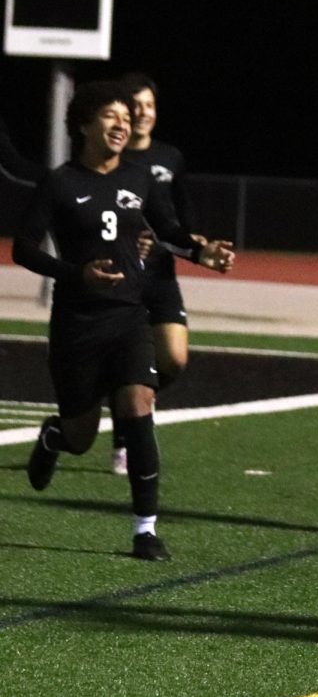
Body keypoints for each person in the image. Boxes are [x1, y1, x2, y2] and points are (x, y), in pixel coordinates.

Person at [12, 81, 234, 561]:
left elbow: (169, 230)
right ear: (85, 124)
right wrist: (76, 274)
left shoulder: (140, 178)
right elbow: (23, 248)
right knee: (80, 436)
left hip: (130, 317)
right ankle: (54, 436)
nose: (122, 125)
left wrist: (202, 252)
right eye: (111, 117)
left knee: (138, 405)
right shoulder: (60, 183)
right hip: (77, 324)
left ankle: (145, 530)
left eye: (127, 119)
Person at [105, 73, 196, 477]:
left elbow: (183, 216)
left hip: (161, 275)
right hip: (123, 278)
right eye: (135, 106)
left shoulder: (170, 157)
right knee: (131, 362)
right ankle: (125, 436)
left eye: (149, 106)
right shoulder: (112, 158)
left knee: (173, 359)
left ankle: (131, 402)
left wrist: (192, 242)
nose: (143, 113)